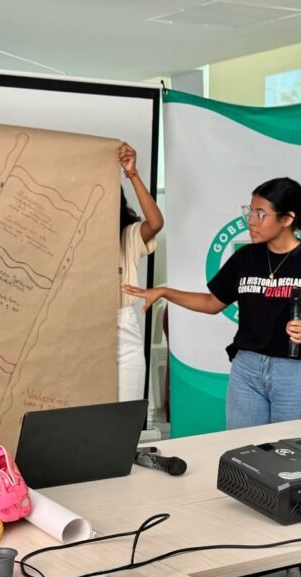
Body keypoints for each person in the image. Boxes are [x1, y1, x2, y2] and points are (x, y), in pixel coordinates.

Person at [123, 177, 301, 577]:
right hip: (247, 369)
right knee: (246, 464)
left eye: (260, 213)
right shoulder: (247, 258)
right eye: (249, 210)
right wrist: (164, 291)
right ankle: (248, 559)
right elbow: (213, 303)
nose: (251, 219)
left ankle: (300, 564)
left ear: (288, 219)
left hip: (295, 374)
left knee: (296, 466)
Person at [116, 141, 164, 401]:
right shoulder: (71, 238)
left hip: (122, 326)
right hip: (83, 327)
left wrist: (132, 174)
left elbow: (156, 222)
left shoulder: (127, 235)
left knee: (125, 411)